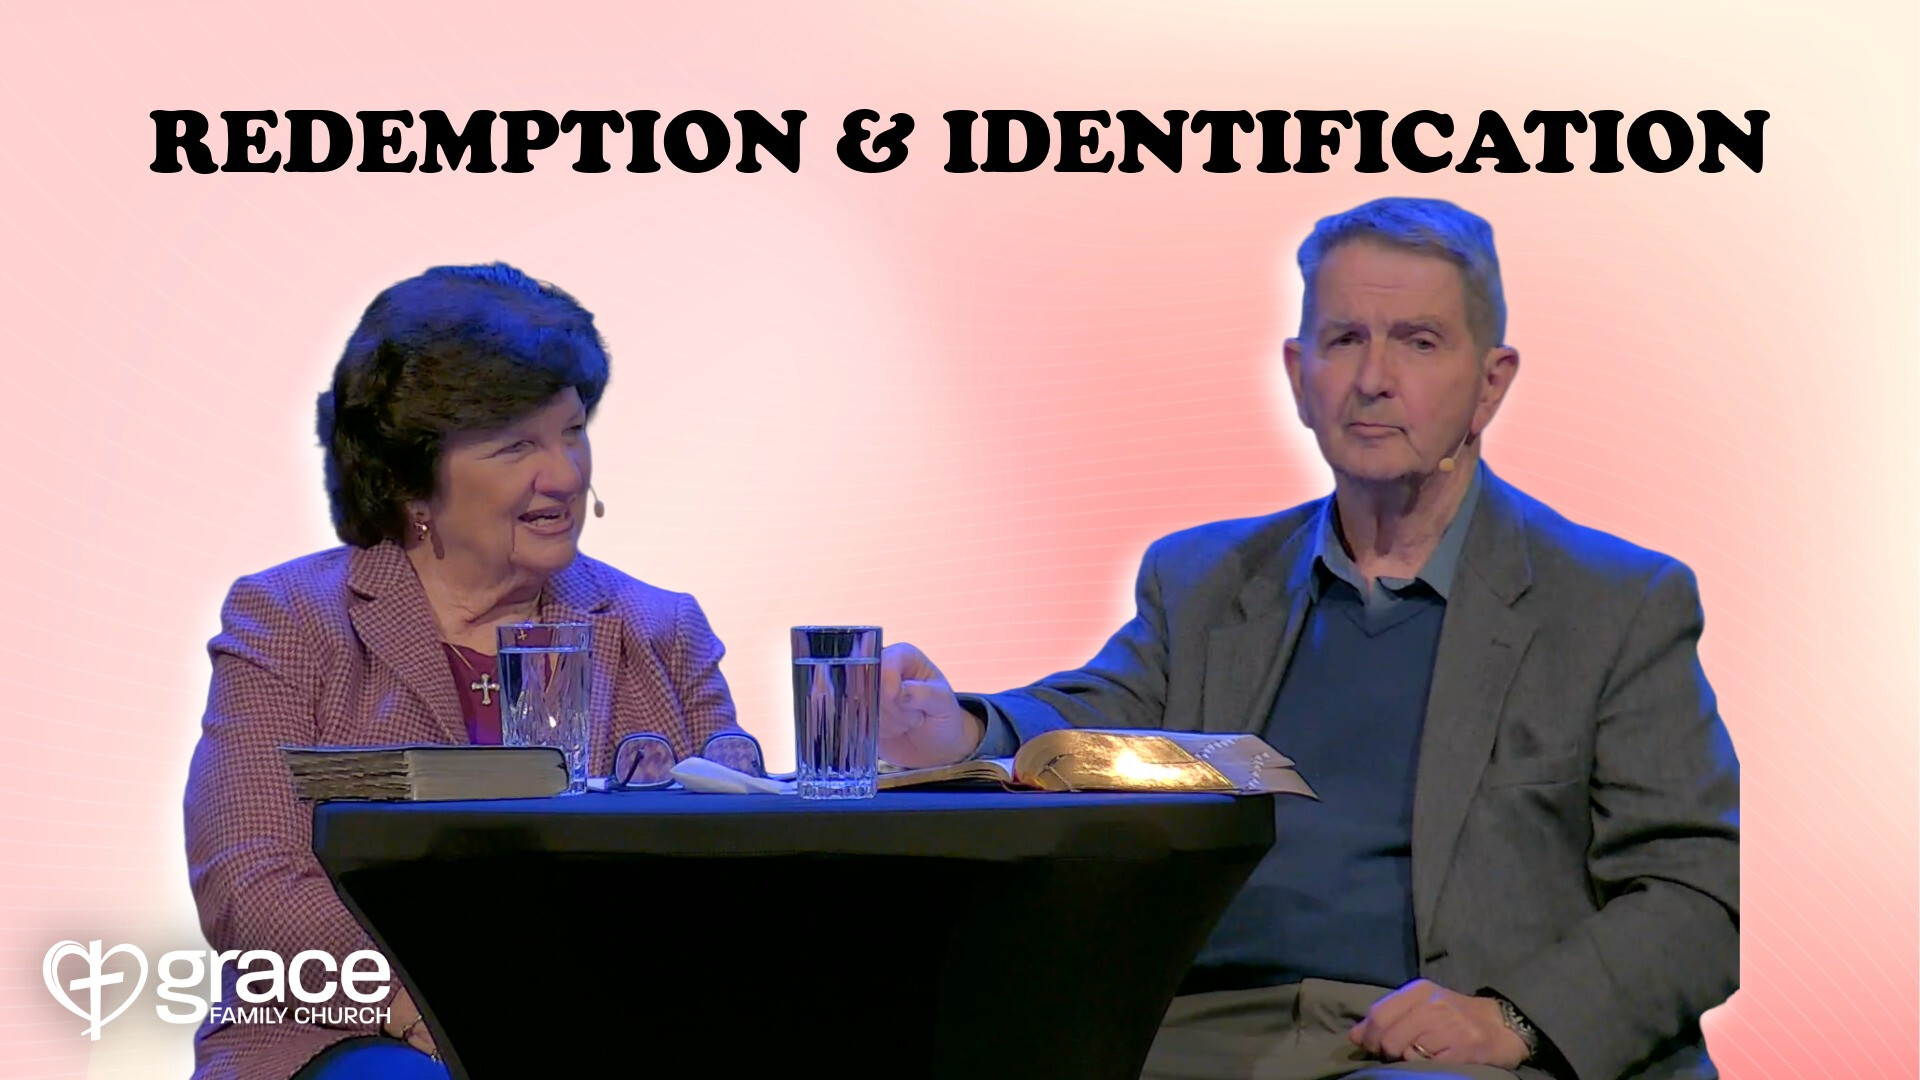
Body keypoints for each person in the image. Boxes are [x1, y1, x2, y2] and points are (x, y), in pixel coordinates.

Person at [878, 198, 1739, 1080]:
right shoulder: (1205, 583)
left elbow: (1696, 895)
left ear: (1491, 382)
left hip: (1441, 1047)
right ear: (1298, 375)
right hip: (1200, 1031)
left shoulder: (1615, 604)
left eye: (1419, 342)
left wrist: (1513, 1019)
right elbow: (1092, 721)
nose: (1374, 378)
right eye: (1343, 340)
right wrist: (958, 731)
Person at [183, 264, 741, 1080]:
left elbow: (739, 845)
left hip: (608, 1028)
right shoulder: (291, 622)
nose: (565, 474)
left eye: (572, 431)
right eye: (517, 445)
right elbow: (252, 882)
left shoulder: (661, 630)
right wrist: (433, 1008)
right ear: (416, 482)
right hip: (352, 1035)